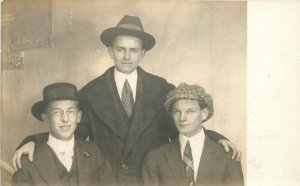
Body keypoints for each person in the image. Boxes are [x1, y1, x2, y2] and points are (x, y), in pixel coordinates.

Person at [13, 15, 241, 185]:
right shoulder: (90, 93)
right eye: (120, 49)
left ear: (143, 54)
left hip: (154, 179)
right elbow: (68, 132)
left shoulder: (162, 88)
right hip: (108, 180)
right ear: (110, 51)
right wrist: (34, 140)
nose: (127, 56)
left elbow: (183, 125)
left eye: (133, 50)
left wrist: (216, 137)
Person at [12, 82, 114, 186]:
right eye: (57, 112)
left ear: (78, 117)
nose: (65, 119)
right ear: (45, 118)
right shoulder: (27, 163)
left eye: (70, 111)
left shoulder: (95, 153)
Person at [143, 83, 244, 186]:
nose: (182, 118)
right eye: (177, 112)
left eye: (190, 111)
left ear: (204, 113)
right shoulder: (155, 158)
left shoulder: (227, 156)